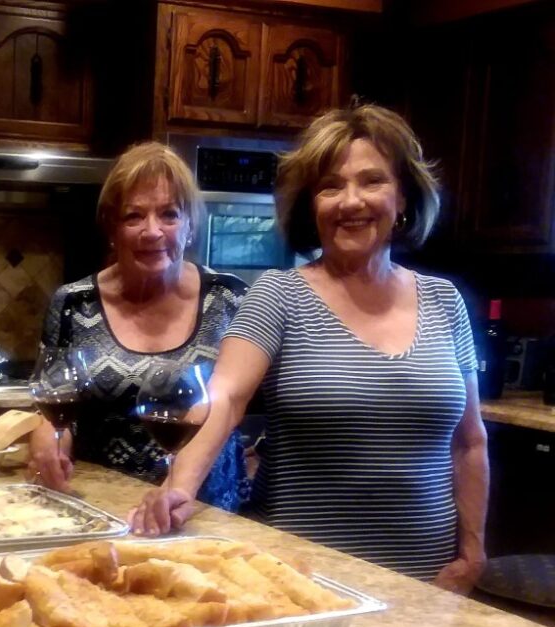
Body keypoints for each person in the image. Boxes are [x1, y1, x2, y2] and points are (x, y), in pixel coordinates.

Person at [128, 104, 489, 595]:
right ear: (311, 205)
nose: (351, 201)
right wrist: (180, 487)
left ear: (402, 195)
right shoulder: (279, 295)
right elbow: (226, 397)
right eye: (330, 186)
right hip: (300, 578)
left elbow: (469, 441)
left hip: (428, 583)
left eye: (372, 181)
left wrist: (472, 554)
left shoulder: (446, 302)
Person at [27, 141, 249, 512]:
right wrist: (49, 442)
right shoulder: (73, 304)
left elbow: (248, 406)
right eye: (134, 216)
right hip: (102, 510)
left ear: (190, 226)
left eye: (169, 215)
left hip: (208, 515)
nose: (152, 231)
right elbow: (54, 407)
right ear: (113, 229)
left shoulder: (230, 299)